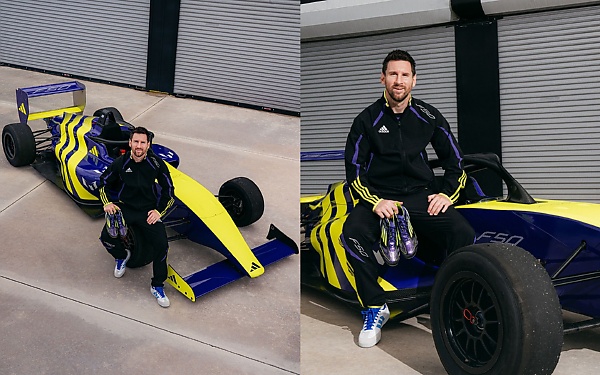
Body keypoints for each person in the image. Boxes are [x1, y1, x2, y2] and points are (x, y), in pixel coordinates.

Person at [342, 50, 475, 347]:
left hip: (420, 196)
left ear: (414, 80)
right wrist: (375, 201)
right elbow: (354, 171)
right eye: (392, 74)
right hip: (381, 200)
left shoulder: (428, 116)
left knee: (462, 232)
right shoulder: (366, 120)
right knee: (351, 233)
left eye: (404, 75)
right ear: (382, 78)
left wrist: (446, 194)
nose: (398, 81)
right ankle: (375, 307)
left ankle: (447, 298)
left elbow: (455, 161)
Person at [98, 126, 175, 308]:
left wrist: (159, 211)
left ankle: (157, 285)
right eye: (136, 142)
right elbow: (103, 183)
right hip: (125, 208)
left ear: (148, 145)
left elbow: (169, 191)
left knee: (162, 246)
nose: (139, 146)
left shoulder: (156, 164)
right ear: (130, 143)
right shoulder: (121, 162)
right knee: (106, 238)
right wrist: (107, 202)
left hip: (148, 211)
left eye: (142, 142)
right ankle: (121, 256)